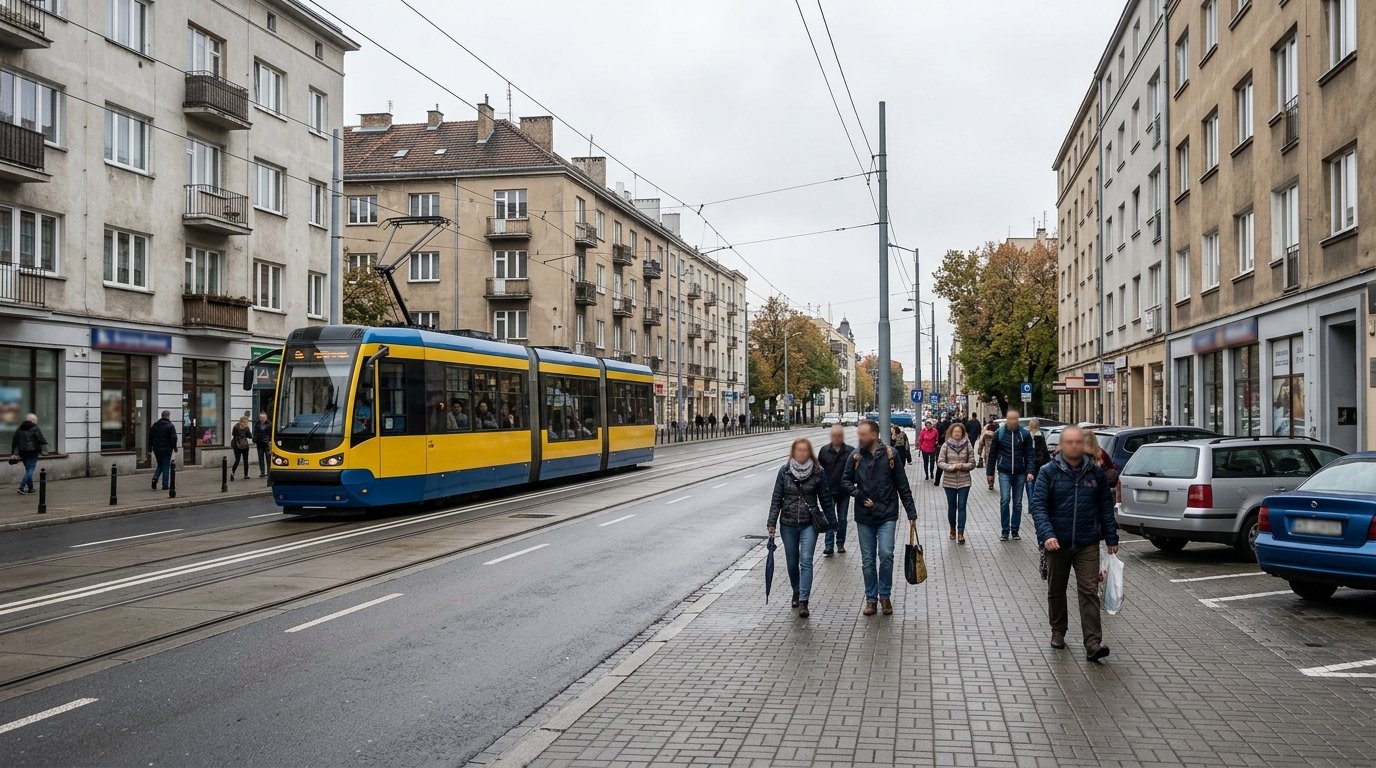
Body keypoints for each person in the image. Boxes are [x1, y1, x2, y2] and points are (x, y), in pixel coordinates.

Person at [1029, 426, 1119, 661]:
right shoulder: (1048, 471)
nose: (1074, 446)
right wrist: (1047, 535)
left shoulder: (1095, 473)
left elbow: (1105, 507)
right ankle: (1058, 630)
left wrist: (1111, 538)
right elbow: (1038, 507)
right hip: (1056, 543)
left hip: (1087, 542)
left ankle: (1093, 643)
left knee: (1089, 591)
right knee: (1056, 589)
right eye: (1069, 442)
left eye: (1078, 442)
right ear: (1061, 445)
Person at [842, 419, 918, 616]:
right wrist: (859, 495)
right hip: (864, 516)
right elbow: (845, 482)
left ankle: (884, 596)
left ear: (874, 435)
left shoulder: (891, 455)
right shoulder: (856, 456)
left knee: (886, 554)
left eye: (863, 434)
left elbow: (902, 485)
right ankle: (871, 599)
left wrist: (911, 513)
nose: (859, 437)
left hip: (887, 513)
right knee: (868, 560)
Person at [767, 437, 837, 618]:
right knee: (792, 562)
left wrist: (833, 522)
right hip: (788, 523)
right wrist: (771, 522)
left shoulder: (818, 472)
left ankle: (804, 600)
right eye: (798, 450)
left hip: (809, 523)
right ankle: (796, 591)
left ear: (810, 452)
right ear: (793, 452)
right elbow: (777, 498)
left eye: (805, 450)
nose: (802, 453)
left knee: (806, 561)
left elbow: (825, 498)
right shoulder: (784, 471)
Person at [985, 409, 1035, 541]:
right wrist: (990, 472)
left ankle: (1015, 530)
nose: (1012, 421)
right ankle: (1005, 530)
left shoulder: (1024, 434)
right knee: (1005, 500)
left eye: (1015, 419)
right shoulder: (1000, 433)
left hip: (1020, 472)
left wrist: (1030, 471)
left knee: (1017, 503)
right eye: (1010, 419)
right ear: (1006, 419)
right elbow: (992, 454)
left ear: (1018, 420)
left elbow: (1030, 454)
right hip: (1004, 472)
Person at [817, 424, 856, 557]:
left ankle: (840, 543)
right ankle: (829, 545)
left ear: (843, 436)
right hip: (828, 491)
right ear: (831, 436)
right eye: (834, 435)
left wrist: (852, 484)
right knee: (829, 517)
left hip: (844, 491)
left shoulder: (850, 451)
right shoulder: (824, 451)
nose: (836, 438)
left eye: (839, 435)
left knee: (842, 519)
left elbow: (855, 470)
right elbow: (818, 470)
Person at [937, 422, 976, 545]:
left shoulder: (968, 445)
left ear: (963, 433)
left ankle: (960, 532)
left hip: (964, 481)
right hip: (949, 481)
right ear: (951, 433)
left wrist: (962, 466)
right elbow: (940, 462)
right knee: (952, 506)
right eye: (955, 432)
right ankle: (952, 528)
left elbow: (972, 463)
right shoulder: (946, 445)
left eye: (959, 432)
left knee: (962, 506)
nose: (957, 433)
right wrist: (952, 467)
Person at [8, 413, 47, 494]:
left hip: (22, 452)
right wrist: (44, 450)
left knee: (28, 470)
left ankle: (30, 488)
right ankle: (21, 487)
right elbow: (41, 439)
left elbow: (15, 441)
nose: (37, 421)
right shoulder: (35, 428)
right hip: (32, 452)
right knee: (30, 470)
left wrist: (13, 453)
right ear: (32, 420)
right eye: (36, 420)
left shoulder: (19, 429)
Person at [148, 410, 178, 491]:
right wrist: (174, 447)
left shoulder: (155, 425)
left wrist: (150, 448)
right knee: (166, 466)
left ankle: (155, 478)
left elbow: (150, 438)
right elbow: (173, 438)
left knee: (160, 465)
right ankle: (165, 485)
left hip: (157, 449)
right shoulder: (170, 426)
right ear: (168, 416)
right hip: (166, 449)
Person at [1026, 418, 1052, 512]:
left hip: (1029, 465)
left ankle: (1031, 506)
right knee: (1038, 486)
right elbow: (1044, 452)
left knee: (1029, 485)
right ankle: (1036, 506)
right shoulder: (1041, 436)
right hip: (1040, 465)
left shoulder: (1027, 436)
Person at [230, 415, 253, 480]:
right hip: (240, 445)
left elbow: (233, 434)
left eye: (247, 422)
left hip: (242, 445)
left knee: (244, 460)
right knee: (239, 460)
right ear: (241, 422)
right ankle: (234, 474)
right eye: (245, 422)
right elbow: (250, 436)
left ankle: (244, 474)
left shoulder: (237, 427)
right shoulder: (239, 427)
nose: (246, 423)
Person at [252, 412, 272, 478]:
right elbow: (254, 433)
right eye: (261, 417)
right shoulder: (257, 424)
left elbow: (271, 433)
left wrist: (270, 440)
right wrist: (254, 439)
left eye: (264, 417)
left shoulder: (269, 424)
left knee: (268, 458)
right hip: (259, 443)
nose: (262, 419)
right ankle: (262, 472)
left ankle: (269, 472)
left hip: (267, 444)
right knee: (260, 458)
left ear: (266, 418)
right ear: (259, 418)